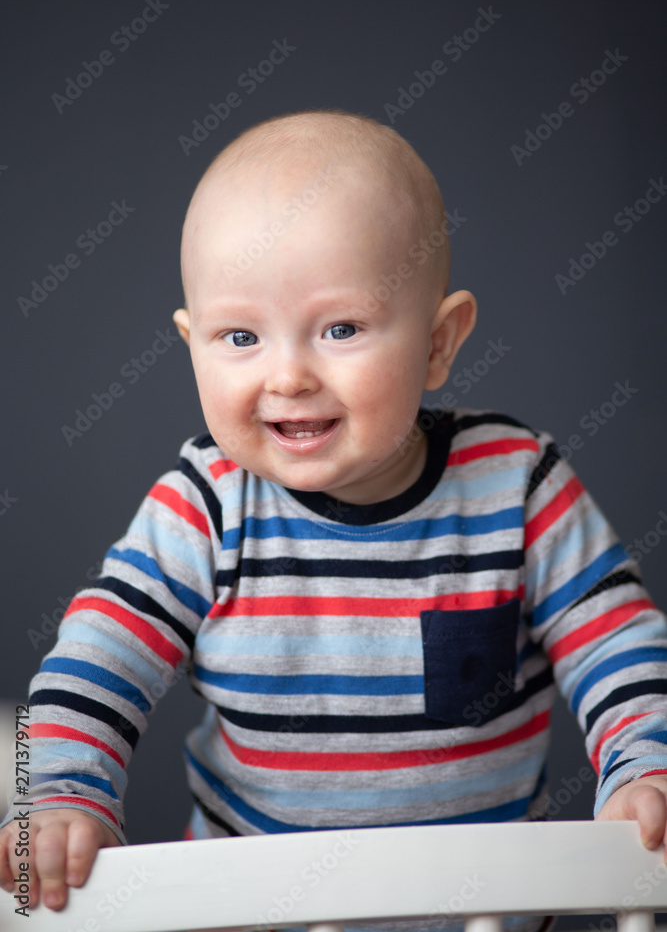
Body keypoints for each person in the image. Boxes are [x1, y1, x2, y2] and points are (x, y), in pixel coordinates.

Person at [2, 110, 666, 929]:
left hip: (483, 915)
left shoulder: (515, 484)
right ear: (191, 343)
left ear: (438, 342)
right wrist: (57, 793)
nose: (288, 376)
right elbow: (94, 657)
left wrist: (646, 766)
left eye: (340, 329)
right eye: (239, 336)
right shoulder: (207, 505)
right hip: (255, 914)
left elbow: (617, 641)